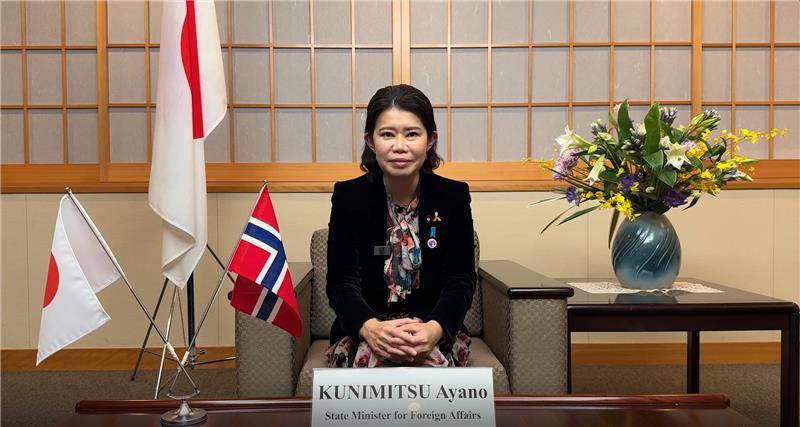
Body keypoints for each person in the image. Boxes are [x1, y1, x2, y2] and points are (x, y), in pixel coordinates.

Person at [325, 84, 476, 368]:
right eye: (387, 134)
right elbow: (341, 283)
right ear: (370, 140)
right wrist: (370, 328)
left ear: (430, 139)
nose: (399, 146)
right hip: (365, 328)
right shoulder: (349, 197)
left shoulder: (453, 197)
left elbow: (461, 280)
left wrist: (434, 329)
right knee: (371, 360)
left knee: (429, 360)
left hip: (435, 327)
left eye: (412, 134)